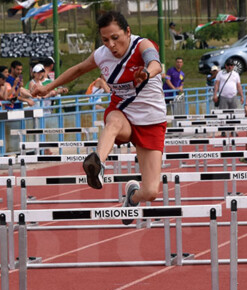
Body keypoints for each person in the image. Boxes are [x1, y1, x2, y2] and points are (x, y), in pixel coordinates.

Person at [31, 11, 166, 225]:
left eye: (115, 37)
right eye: (105, 39)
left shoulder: (142, 45)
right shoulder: (101, 54)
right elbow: (78, 70)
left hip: (151, 120)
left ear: (128, 32)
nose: (111, 44)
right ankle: (98, 165)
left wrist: (147, 74)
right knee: (112, 122)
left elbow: (155, 63)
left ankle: (132, 197)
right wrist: (47, 88)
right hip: (123, 111)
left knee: (150, 192)